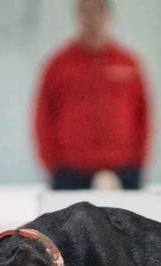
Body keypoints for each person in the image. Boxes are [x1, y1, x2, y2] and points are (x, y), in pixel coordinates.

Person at [32, 0, 152, 190]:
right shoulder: (58, 65)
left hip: (124, 171)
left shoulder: (128, 63)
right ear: (77, 17)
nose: (91, 19)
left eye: (97, 11)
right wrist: (52, 164)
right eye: (85, 12)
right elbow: (43, 117)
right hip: (70, 173)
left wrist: (139, 162)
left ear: (108, 16)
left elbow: (143, 116)